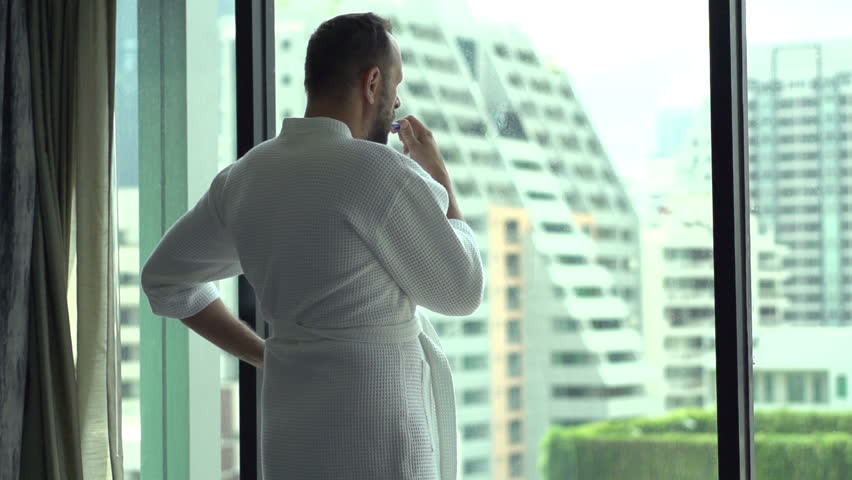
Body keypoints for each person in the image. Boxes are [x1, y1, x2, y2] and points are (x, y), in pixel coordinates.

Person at [140, 12, 484, 479]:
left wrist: (267, 352)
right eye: (395, 84)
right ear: (373, 81)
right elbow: (462, 291)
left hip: (289, 436)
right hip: (381, 441)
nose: (397, 100)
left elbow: (166, 281)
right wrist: (439, 178)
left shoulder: (246, 176)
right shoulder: (379, 172)